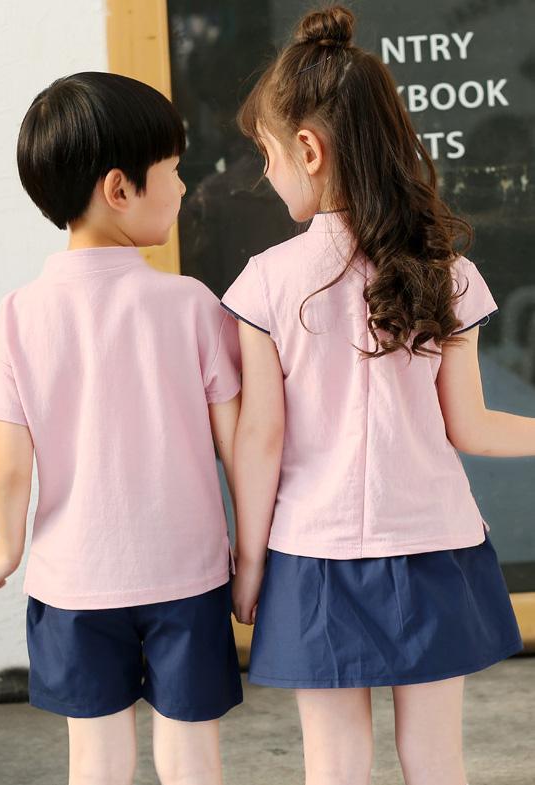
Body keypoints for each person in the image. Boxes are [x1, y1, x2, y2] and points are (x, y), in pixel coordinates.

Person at [222, 7, 530, 785]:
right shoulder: (446, 271)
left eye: (266, 155)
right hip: (434, 545)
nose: (265, 174)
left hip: (314, 555)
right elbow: (472, 426)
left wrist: (249, 562)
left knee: (334, 763)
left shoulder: (265, 281)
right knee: (437, 758)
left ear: (308, 149)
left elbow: (260, 438)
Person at [0, 72, 242, 785]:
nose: (183, 187)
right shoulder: (191, 305)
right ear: (120, 188)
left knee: (97, 758)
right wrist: (259, 550)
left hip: (74, 579)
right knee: (192, 754)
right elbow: (239, 447)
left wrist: (7, 547)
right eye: (172, 171)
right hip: (188, 572)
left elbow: (9, 461)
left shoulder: (20, 313)